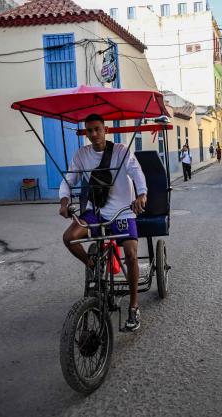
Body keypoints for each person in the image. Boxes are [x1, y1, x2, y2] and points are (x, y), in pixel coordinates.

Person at [59, 113, 147, 331]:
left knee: (131, 254)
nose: (93, 134)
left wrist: (141, 195)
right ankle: (93, 266)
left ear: (105, 129)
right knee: (69, 237)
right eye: (89, 130)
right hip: (96, 211)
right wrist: (64, 202)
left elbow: (136, 172)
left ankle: (134, 306)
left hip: (123, 212)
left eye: (97, 129)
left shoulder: (120, 151)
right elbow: (69, 180)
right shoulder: (82, 155)